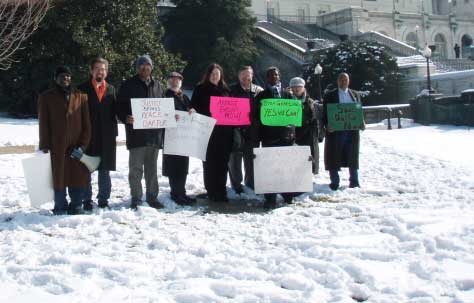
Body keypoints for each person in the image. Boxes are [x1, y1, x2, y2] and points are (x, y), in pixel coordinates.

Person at [38, 66, 91, 215]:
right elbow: (44, 123)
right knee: (58, 177)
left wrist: (83, 145)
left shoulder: (81, 96)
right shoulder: (46, 97)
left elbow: (87, 125)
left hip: (76, 146)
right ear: (56, 78)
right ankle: (60, 206)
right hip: (57, 145)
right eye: (61, 76)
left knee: (76, 176)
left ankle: (76, 205)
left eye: (67, 75)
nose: (65, 78)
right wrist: (45, 145)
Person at [117, 55, 164, 210]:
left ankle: (152, 197)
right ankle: (136, 198)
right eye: (142, 65)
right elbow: (119, 107)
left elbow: (163, 107)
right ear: (137, 68)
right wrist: (125, 117)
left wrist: (169, 116)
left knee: (152, 169)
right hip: (136, 135)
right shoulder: (128, 85)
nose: (145, 67)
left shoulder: (157, 85)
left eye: (148, 65)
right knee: (135, 169)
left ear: (152, 67)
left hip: (154, 135)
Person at [256, 67, 299, 209]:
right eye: (270, 75)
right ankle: (270, 197)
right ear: (267, 78)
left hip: (286, 137)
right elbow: (255, 115)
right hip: (269, 137)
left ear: (280, 76)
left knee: (286, 167)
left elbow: (295, 115)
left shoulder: (288, 95)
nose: (273, 77)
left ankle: (288, 195)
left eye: (276, 75)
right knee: (270, 168)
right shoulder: (261, 96)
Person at [78, 57, 117, 211]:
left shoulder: (112, 89)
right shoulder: (81, 89)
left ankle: (103, 200)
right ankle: (86, 200)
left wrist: (128, 116)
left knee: (104, 169)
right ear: (91, 71)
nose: (100, 71)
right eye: (97, 69)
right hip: (87, 136)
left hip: (107, 136)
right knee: (86, 169)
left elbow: (117, 110)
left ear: (106, 72)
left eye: (103, 69)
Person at [190, 63, 232, 202]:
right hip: (206, 132)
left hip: (224, 133)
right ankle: (211, 190)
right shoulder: (200, 88)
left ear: (221, 76)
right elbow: (193, 105)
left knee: (223, 163)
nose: (215, 76)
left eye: (217, 74)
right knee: (209, 163)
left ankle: (221, 190)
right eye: (212, 74)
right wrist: (192, 110)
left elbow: (233, 110)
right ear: (208, 75)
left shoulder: (226, 89)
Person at [322, 72, 365, 191]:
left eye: (345, 80)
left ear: (349, 81)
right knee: (333, 156)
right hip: (336, 131)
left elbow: (358, 111)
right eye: (341, 80)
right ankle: (335, 182)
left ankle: (354, 181)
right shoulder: (329, 95)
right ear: (337, 81)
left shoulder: (355, 94)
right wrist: (327, 125)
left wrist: (362, 122)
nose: (343, 82)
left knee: (352, 156)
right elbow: (324, 114)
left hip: (351, 131)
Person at [162, 72, 195, 206]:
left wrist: (192, 110)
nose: (175, 82)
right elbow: (160, 115)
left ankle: (182, 192)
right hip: (171, 137)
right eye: (172, 80)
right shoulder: (164, 96)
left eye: (177, 80)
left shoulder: (185, 97)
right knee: (173, 167)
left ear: (181, 82)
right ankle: (175, 193)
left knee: (183, 166)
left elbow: (190, 109)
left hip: (184, 137)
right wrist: (170, 116)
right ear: (168, 82)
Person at [228, 66, 263, 193]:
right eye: (242, 75)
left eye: (248, 75)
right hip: (235, 131)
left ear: (252, 76)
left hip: (252, 132)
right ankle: (236, 186)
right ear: (238, 76)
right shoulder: (230, 90)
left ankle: (251, 184)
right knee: (234, 160)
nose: (245, 77)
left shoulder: (259, 91)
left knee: (251, 160)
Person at [289, 77, 324, 175]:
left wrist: (320, 135)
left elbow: (317, 119)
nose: (296, 89)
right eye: (294, 87)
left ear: (303, 88)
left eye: (299, 87)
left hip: (308, 134)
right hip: (292, 134)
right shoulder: (286, 101)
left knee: (309, 159)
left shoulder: (310, 102)